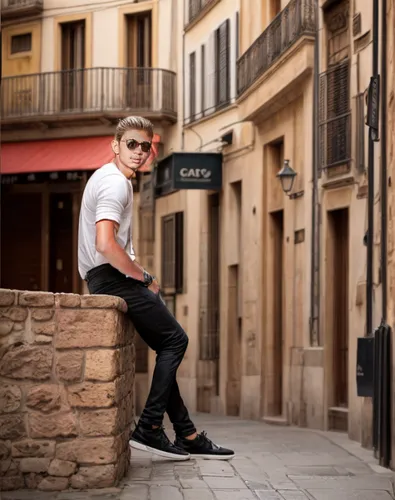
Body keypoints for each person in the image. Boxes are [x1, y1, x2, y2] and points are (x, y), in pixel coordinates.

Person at [78, 116, 235, 461]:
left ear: (152, 150)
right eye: (131, 144)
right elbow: (105, 243)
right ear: (115, 146)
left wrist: (137, 274)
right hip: (111, 276)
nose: (138, 151)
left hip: (104, 277)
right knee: (177, 340)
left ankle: (187, 433)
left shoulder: (109, 178)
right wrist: (143, 277)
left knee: (166, 347)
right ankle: (149, 428)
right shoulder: (115, 184)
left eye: (145, 146)